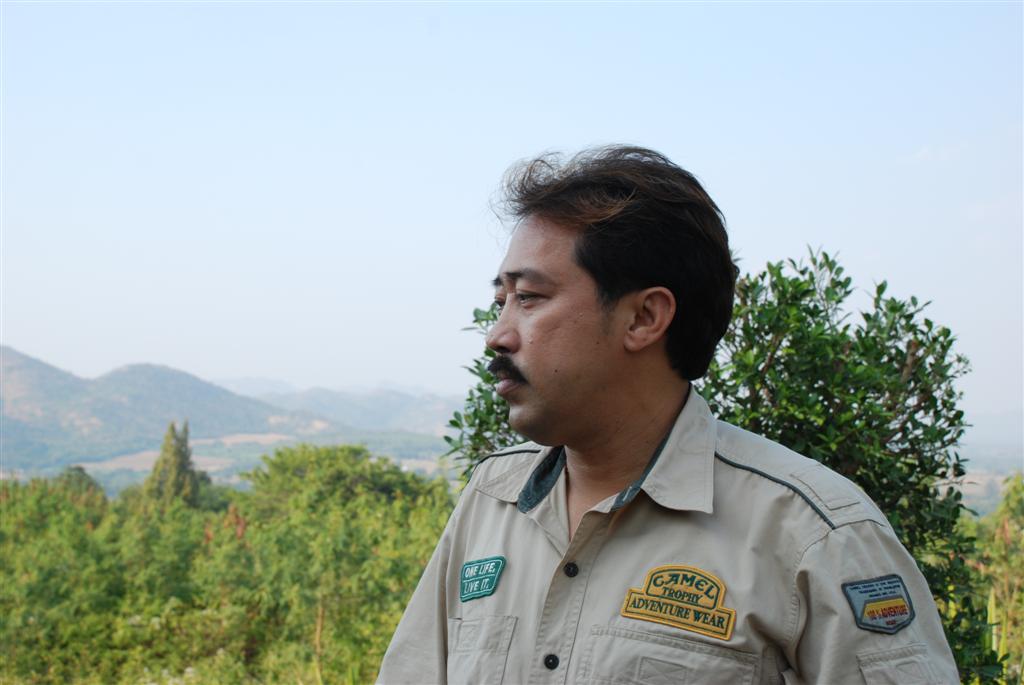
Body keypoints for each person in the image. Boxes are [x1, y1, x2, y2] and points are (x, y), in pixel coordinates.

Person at [377, 146, 959, 684]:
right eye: (500, 300)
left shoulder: (815, 535)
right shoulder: (491, 498)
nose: (497, 335)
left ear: (644, 318)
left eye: (528, 298)